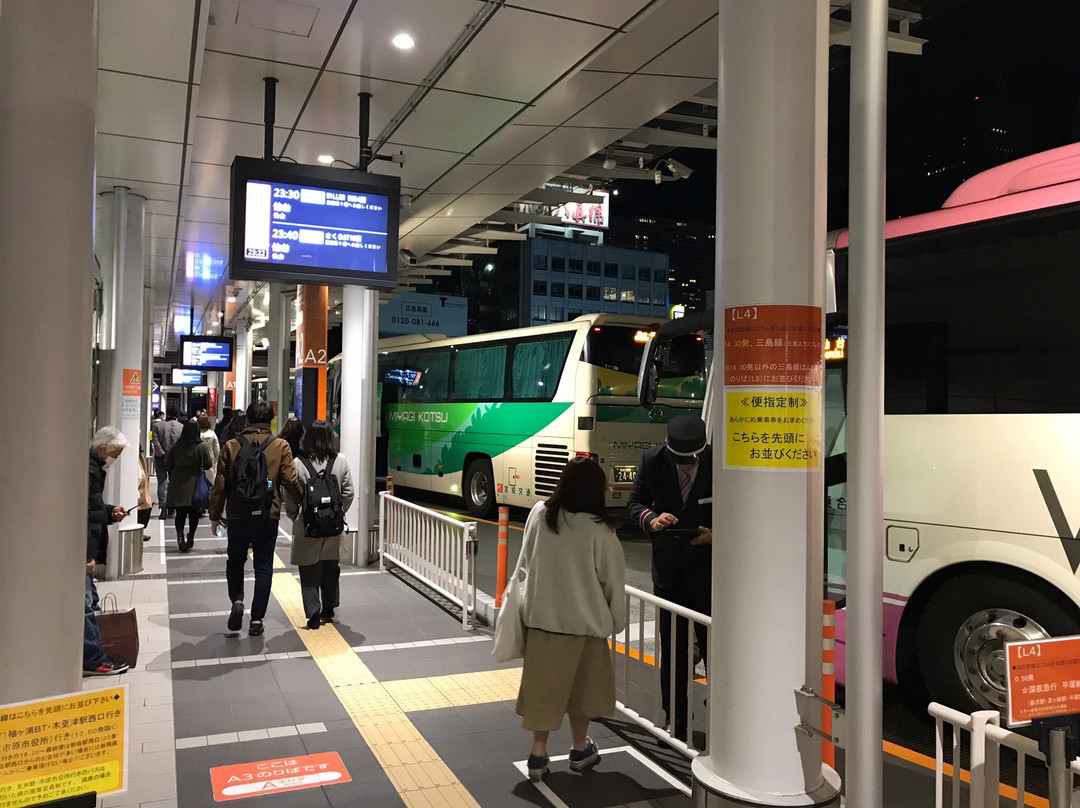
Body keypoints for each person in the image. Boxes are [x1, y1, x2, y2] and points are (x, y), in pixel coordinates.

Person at [514, 457, 626, 782]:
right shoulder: (600, 529)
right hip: (585, 627)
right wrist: (614, 622)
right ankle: (579, 750)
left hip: (543, 623)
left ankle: (538, 755)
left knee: (543, 691)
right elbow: (612, 584)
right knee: (583, 692)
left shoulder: (540, 514)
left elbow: (524, 564)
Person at [626, 414, 712, 742]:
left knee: (715, 648)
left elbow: (738, 509)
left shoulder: (718, 460)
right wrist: (652, 519)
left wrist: (715, 535)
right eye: (680, 462)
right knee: (674, 649)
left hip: (708, 572)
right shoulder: (652, 460)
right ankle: (675, 719)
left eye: (691, 462)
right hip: (668, 570)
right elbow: (634, 503)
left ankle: (721, 712)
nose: (687, 468)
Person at [209, 399, 302, 636]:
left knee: (236, 561)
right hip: (267, 514)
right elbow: (291, 481)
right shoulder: (280, 446)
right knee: (263, 566)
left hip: (237, 515)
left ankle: (237, 601)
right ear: (270, 420)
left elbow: (220, 484)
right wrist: (301, 501)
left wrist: (214, 514)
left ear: (248, 419)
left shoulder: (230, 445)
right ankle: (257, 619)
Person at [284, 420, 353, 629]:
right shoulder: (340, 461)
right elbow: (349, 493)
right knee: (331, 567)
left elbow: (291, 495)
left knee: (309, 570)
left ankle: (313, 614)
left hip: (308, 525)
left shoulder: (299, 463)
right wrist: (338, 513)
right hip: (332, 526)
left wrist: (293, 515)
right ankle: (329, 608)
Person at [85, 427, 130, 676]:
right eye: (116, 452)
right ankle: (93, 659)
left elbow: (93, 509)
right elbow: (84, 516)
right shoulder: (90, 472)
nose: (116, 457)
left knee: (90, 601)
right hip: (83, 552)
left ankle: (93, 654)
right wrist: (86, 556)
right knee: (87, 605)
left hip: (86, 548)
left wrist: (111, 511)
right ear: (103, 449)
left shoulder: (93, 469)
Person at [166, 420, 212, 552]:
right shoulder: (201, 446)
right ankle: (191, 536)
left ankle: (180, 537)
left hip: (178, 483)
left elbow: (169, 464)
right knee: (193, 513)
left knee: (180, 513)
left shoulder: (176, 446)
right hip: (194, 482)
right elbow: (208, 464)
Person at [150, 407, 182, 517]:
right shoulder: (181, 427)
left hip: (160, 458)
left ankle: (163, 507)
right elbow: (181, 444)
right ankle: (172, 506)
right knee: (174, 483)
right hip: (175, 459)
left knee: (162, 482)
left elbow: (155, 441)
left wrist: (162, 453)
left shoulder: (157, 426)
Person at [198, 413, 221, 486]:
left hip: (198, 462)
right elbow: (217, 450)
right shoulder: (212, 434)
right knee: (210, 483)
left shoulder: (197, 434)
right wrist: (216, 461)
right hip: (210, 462)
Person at [137, 446, 153, 541]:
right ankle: (140, 532)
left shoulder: (139, 459)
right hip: (139, 492)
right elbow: (140, 477)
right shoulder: (138, 459)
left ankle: (140, 531)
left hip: (141, 491)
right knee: (141, 509)